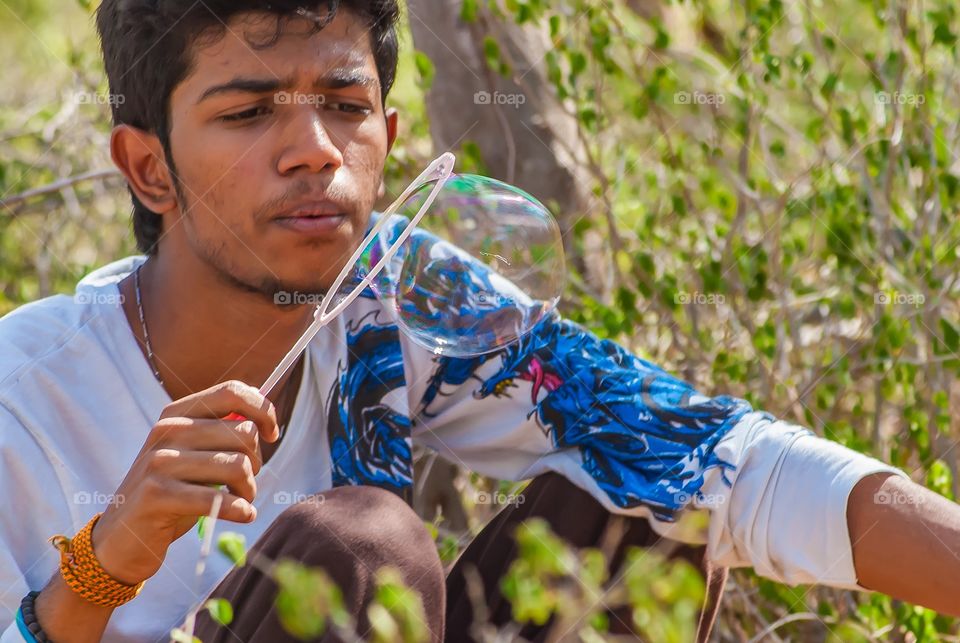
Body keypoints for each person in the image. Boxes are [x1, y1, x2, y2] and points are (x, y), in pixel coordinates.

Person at [2, 1, 959, 641]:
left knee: (652, 501)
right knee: (361, 543)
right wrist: (106, 558)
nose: (314, 152)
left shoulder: (396, 287)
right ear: (148, 167)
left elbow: (730, 460)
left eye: (346, 105)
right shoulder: (25, 392)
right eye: (250, 113)